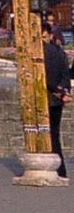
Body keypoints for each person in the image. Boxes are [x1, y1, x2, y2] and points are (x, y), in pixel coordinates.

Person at [46, 19, 70, 167]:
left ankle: (53, 166)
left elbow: (41, 77)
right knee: (55, 134)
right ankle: (60, 168)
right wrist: (64, 91)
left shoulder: (41, 53)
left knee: (46, 134)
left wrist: (57, 91)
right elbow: (66, 74)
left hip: (47, 97)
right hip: (57, 99)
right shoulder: (60, 53)